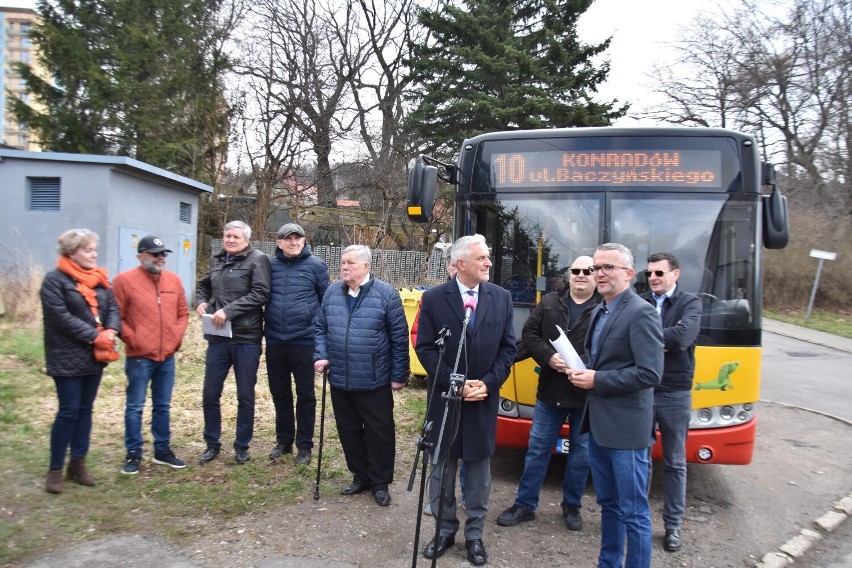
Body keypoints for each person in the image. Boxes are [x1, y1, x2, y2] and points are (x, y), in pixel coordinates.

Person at [415, 234, 516, 566]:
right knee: (442, 471)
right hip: (445, 400)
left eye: (487, 257)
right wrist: (454, 383)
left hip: (482, 401)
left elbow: (508, 349)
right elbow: (425, 348)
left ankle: (475, 536)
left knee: (478, 476)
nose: (489, 263)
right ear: (460, 264)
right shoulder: (433, 299)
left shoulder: (501, 298)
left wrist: (486, 383)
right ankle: (444, 531)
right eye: (482, 258)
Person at [569, 243, 663, 568]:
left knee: (633, 511)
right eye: (597, 267)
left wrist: (598, 380)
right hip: (597, 427)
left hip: (627, 434)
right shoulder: (599, 310)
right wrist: (575, 366)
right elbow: (598, 360)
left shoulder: (642, 312)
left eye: (608, 267)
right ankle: (608, 563)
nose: (600, 273)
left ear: (629, 273)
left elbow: (650, 373)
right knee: (608, 504)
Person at [496, 255, 599, 531]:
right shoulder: (551, 301)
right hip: (551, 392)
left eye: (587, 271)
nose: (580, 275)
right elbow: (529, 333)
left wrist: (588, 366)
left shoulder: (605, 307)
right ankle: (525, 505)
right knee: (537, 450)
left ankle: (572, 506)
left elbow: (613, 346)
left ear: (595, 274)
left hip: (587, 397)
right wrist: (549, 357)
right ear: (570, 275)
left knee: (581, 455)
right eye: (575, 270)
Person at [313, 245, 409, 507]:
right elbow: (320, 326)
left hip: (374, 378)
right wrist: (321, 355)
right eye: (343, 262)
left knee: (380, 433)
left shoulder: (387, 294)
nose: (344, 267)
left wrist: (399, 374)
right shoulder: (332, 292)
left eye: (351, 263)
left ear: (366, 267)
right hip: (341, 378)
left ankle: (380, 482)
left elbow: (399, 338)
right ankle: (360, 475)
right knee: (349, 431)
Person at [40, 228, 121, 494]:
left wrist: (111, 330)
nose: (94, 254)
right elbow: (59, 317)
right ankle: (55, 469)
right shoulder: (55, 280)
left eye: (94, 249)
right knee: (68, 410)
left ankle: (78, 463)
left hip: (94, 356)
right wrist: (94, 336)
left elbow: (112, 309)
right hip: (66, 356)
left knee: (86, 409)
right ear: (71, 252)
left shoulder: (99, 280)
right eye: (88, 250)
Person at [112, 235, 189, 474]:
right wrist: (133, 339)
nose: (160, 258)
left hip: (167, 356)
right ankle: (133, 453)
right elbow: (116, 316)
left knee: (163, 405)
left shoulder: (173, 281)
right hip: (139, 357)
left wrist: (175, 337)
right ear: (140, 256)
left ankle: (162, 450)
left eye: (163, 254)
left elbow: (183, 313)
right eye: (155, 254)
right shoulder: (124, 281)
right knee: (135, 406)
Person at [640, 252, 702, 552]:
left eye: (659, 273)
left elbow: (682, 338)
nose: (653, 278)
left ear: (674, 274)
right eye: (650, 273)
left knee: (676, 462)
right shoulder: (641, 301)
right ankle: (639, 521)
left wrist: (646, 339)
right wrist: (662, 340)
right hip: (643, 389)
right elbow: (629, 334)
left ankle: (672, 526)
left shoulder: (690, 303)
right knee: (641, 457)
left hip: (675, 392)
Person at [196, 221, 271, 465]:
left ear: (246, 240)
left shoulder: (257, 260)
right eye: (227, 236)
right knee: (210, 393)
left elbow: (261, 293)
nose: (230, 240)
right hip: (217, 337)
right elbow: (203, 285)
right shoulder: (217, 259)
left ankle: (242, 445)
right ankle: (211, 443)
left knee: (245, 395)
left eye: (236, 237)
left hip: (246, 337)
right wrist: (201, 302)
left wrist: (228, 311)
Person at [264, 223, 329, 466]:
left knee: (305, 394)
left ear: (304, 241)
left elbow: (326, 302)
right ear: (279, 242)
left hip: (304, 340)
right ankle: (284, 441)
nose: (293, 242)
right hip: (275, 339)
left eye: (297, 238)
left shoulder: (316, 266)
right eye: (288, 239)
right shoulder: (269, 266)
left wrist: (324, 340)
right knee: (279, 392)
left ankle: (304, 445)